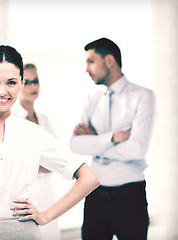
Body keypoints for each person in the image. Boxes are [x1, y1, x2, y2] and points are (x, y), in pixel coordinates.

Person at [0, 45, 100, 239]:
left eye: (11, 82)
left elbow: (89, 178)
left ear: (21, 83)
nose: (2, 91)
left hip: (22, 233)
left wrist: (45, 215)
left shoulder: (33, 133)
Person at [70, 38, 156, 240]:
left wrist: (95, 142)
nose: (86, 69)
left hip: (129, 196)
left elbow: (137, 149)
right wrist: (112, 138)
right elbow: (75, 144)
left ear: (109, 60)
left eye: (91, 61)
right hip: (95, 194)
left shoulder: (143, 96)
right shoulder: (92, 99)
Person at [12, 63, 60, 240]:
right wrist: (41, 162)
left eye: (36, 81)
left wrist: (37, 162)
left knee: (50, 234)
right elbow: (13, 160)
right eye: (27, 82)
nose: (33, 86)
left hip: (47, 191)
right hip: (24, 193)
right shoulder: (12, 119)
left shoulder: (45, 120)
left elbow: (57, 159)